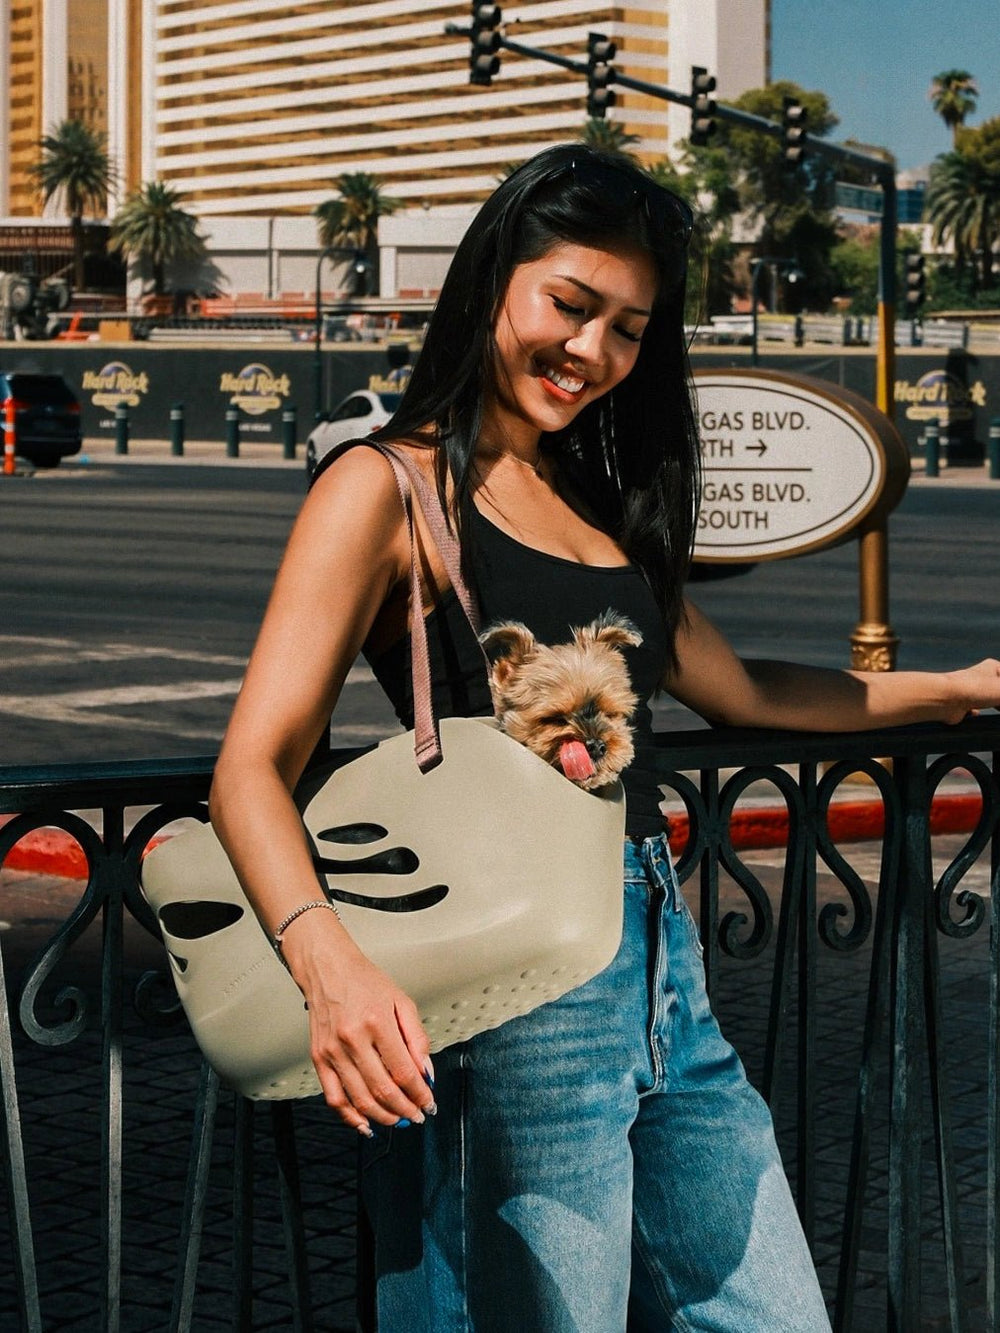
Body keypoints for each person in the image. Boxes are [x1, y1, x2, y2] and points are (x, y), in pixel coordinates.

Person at [208, 144, 1000, 1331]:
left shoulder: (593, 500)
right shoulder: (386, 489)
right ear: (490, 283)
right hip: (510, 991)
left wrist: (964, 686)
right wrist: (333, 971)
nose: (592, 352)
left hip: (662, 972)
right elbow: (251, 766)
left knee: (773, 1314)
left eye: (628, 327)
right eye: (569, 305)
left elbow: (748, 695)